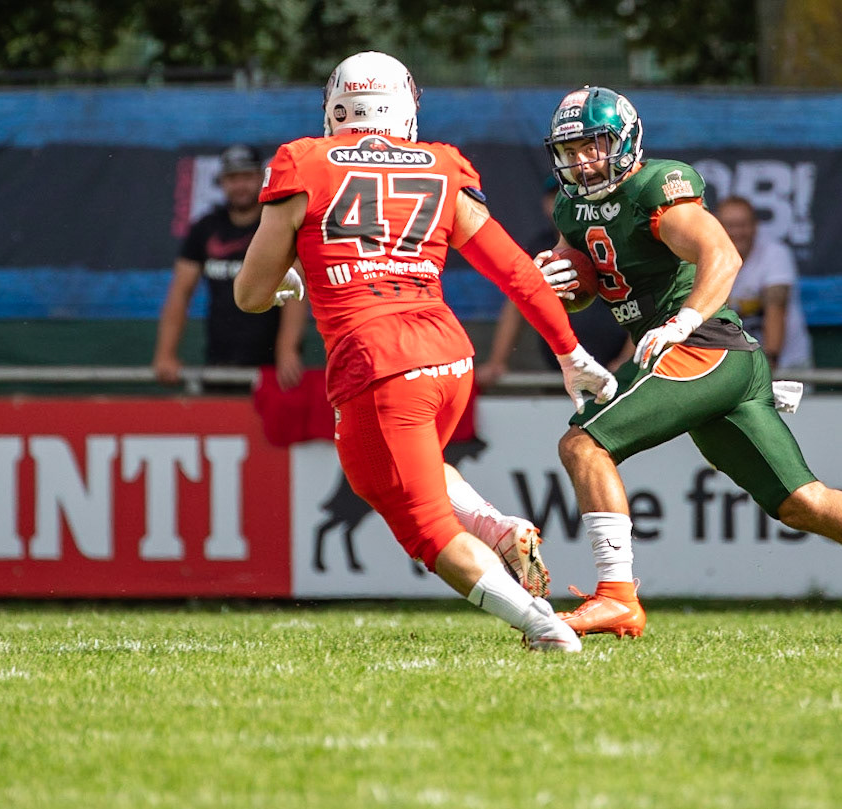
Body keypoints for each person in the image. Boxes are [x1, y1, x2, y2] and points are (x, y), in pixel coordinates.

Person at [533, 85, 842, 641]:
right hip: (714, 358)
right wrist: (563, 282)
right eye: (571, 150)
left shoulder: (655, 187)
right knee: (801, 501)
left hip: (702, 345)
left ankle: (617, 596)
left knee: (583, 444)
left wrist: (682, 321)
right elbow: (593, 286)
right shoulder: (574, 207)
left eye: (593, 146)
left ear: (624, 142)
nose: (582, 161)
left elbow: (722, 253)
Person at [234, 51, 618, 653]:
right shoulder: (442, 166)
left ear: (337, 106)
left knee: (423, 528)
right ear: (406, 106)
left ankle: (543, 625)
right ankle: (498, 528)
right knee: (381, 475)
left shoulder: (303, 161)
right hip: (448, 356)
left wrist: (295, 278)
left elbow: (251, 294)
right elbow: (517, 271)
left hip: (378, 361)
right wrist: (571, 353)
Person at [153, 144, 306, 392]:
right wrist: (165, 353)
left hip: (274, 369)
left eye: (247, 176)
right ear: (222, 182)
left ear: (261, 178)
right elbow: (180, 293)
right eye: (233, 178)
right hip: (218, 363)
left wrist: (287, 349)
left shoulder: (277, 224)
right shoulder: (205, 228)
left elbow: (295, 289)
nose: (240, 185)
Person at [477, 175, 632, 387]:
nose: (562, 202)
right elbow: (517, 303)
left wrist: (628, 359)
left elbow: (645, 302)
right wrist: (497, 362)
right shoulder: (540, 248)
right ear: (545, 204)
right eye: (555, 197)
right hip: (561, 371)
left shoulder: (615, 239)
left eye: (569, 196)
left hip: (620, 372)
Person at [714, 195, 813, 370]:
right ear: (716, 228)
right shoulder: (708, 258)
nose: (737, 232)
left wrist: (770, 363)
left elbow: (776, 308)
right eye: (729, 226)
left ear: (755, 226)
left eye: (743, 225)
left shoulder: (775, 254)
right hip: (733, 367)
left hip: (785, 362)